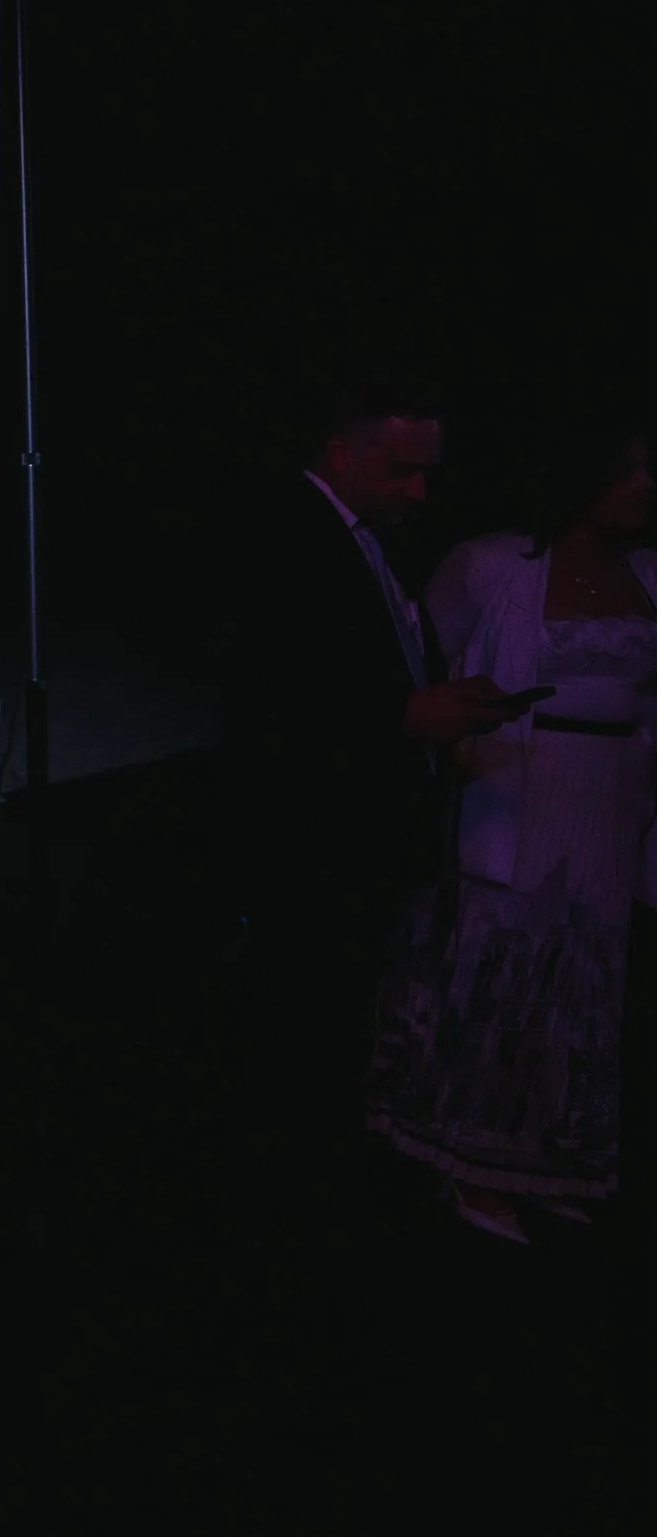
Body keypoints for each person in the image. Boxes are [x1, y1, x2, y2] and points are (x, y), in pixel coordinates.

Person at [215, 382, 534, 1399]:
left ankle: (313, 1247)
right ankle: (284, 1276)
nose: (419, 485)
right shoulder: (284, 533)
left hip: (358, 843)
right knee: (300, 1051)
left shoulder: (364, 538)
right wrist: (404, 716)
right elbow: (271, 694)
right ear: (343, 450)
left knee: (337, 1043)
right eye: (400, 465)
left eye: (427, 465)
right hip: (307, 847)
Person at [369, 428, 654, 1238]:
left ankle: (550, 1156)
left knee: (585, 980)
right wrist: (455, 744)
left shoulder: (647, 575)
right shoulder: (496, 566)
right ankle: (472, 1163)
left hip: (609, 798)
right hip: (519, 785)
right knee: (505, 972)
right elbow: (420, 654)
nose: (643, 484)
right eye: (627, 469)